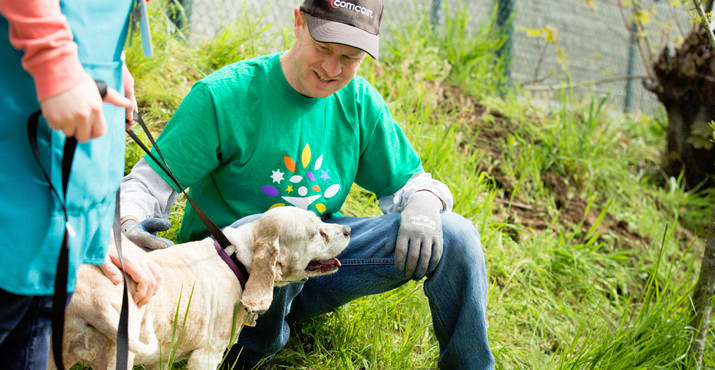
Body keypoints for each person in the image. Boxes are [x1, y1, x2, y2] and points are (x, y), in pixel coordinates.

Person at [120, 0, 494, 368]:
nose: (332, 68)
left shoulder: (359, 103)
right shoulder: (225, 97)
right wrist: (126, 227)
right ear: (298, 22)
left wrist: (426, 199)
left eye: (350, 58)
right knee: (277, 234)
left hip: (321, 258)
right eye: (323, 48)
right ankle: (244, 352)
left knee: (455, 234)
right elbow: (144, 186)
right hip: (232, 274)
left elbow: (409, 184)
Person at [0, 0, 161, 367]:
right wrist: (55, 60)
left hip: (79, 90)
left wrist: (112, 57)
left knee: (37, 315)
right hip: (29, 97)